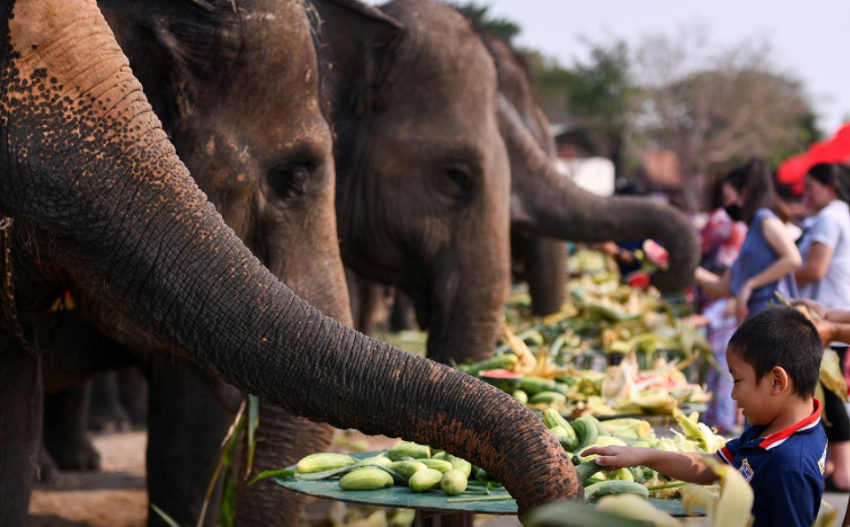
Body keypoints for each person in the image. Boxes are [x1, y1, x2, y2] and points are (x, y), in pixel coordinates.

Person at [584, 307, 827, 527]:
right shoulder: (772, 428)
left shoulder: (790, 467)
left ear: (776, 381)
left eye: (738, 380)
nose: (732, 394)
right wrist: (641, 455)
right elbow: (714, 465)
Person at [794, 163, 850, 492]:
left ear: (830, 187)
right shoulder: (839, 214)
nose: (805, 194)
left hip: (830, 320)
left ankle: (842, 470)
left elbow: (815, 268)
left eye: (810, 186)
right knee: (828, 395)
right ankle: (834, 465)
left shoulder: (830, 216)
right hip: (833, 313)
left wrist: (776, 275)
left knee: (828, 396)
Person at [694, 158, 802, 322]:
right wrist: (686, 268)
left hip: (775, 321)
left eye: (727, 197)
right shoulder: (751, 232)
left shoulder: (764, 220)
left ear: (743, 194)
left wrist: (750, 284)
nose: (725, 205)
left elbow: (792, 258)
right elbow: (721, 286)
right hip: (758, 320)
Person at [698, 175, 748, 433]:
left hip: (723, 305)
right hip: (726, 303)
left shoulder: (722, 221)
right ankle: (724, 417)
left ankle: (722, 418)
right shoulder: (747, 226)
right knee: (725, 368)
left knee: (724, 369)